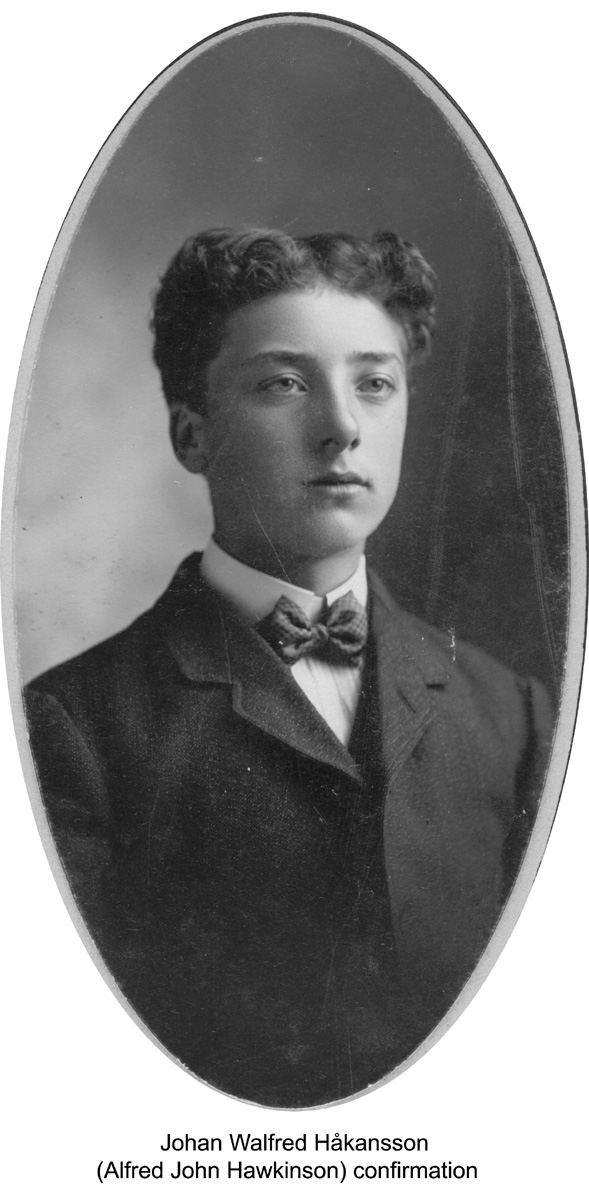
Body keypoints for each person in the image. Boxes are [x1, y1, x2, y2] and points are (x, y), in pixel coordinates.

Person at [24, 228, 553, 1107]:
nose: (342, 427)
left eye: (374, 384)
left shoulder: (514, 713)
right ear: (192, 435)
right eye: (283, 384)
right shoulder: (72, 727)